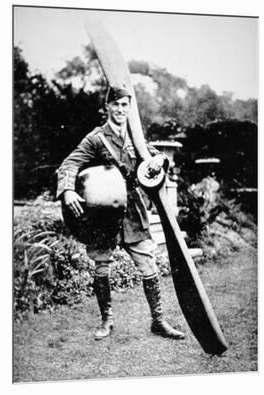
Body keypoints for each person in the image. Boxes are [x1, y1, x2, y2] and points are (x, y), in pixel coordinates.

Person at [56, 85, 185, 341]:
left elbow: (155, 157)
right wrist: (68, 191)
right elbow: (69, 164)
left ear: (129, 108)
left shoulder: (135, 136)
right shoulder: (95, 138)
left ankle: (158, 321)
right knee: (102, 267)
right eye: (115, 104)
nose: (119, 109)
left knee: (148, 265)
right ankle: (107, 321)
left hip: (133, 212)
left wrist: (160, 161)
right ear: (107, 107)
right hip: (103, 213)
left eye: (125, 105)